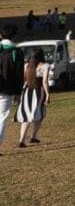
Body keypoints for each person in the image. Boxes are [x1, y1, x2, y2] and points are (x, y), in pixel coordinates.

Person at [15, 48, 50, 148]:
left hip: (26, 92)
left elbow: (22, 80)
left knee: (27, 116)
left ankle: (22, 139)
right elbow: (44, 82)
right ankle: (32, 136)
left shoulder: (26, 65)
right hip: (38, 92)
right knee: (40, 113)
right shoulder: (45, 66)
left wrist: (17, 94)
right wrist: (48, 94)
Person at [0, 24, 25, 154]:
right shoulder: (17, 52)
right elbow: (19, 75)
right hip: (7, 90)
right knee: (2, 118)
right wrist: (18, 92)